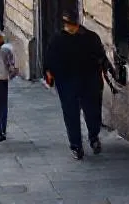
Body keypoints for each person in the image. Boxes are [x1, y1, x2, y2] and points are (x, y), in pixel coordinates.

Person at [44, 10, 114, 159]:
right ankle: (76, 145)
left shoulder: (90, 38)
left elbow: (101, 55)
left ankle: (94, 137)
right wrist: (49, 75)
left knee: (93, 111)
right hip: (67, 82)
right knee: (71, 114)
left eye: (72, 25)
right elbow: (49, 60)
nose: (70, 28)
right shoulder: (57, 40)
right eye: (67, 25)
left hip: (90, 80)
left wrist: (107, 69)